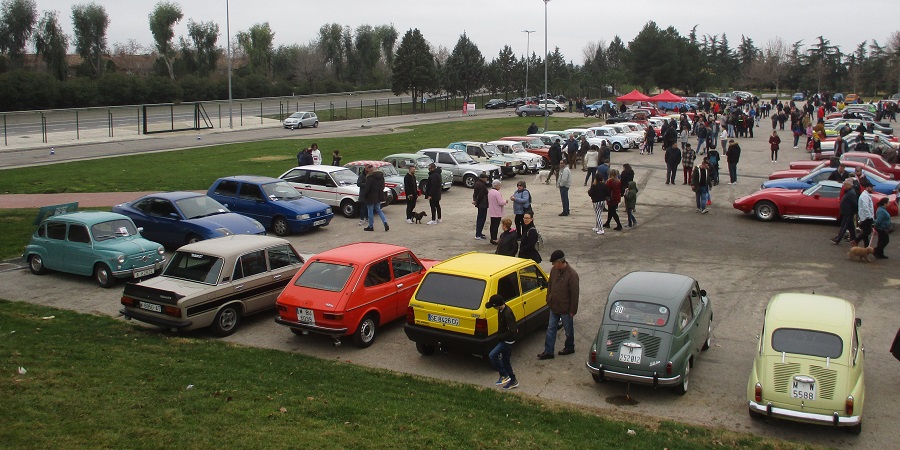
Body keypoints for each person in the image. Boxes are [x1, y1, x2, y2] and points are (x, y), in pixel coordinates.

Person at [537, 250, 579, 360]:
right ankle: (548, 351)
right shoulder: (554, 270)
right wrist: (548, 298)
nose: (553, 265)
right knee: (551, 329)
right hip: (554, 306)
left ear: (560, 262)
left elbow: (575, 294)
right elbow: (550, 284)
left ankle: (570, 347)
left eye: (554, 263)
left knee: (568, 330)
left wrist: (573, 310)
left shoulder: (572, 275)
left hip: (566, 309)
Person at [486, 294, 519, 390]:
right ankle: (513, 381)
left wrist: (500, 337)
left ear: (497, 305)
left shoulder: (507, 313)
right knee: (505, 361)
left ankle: (504, 375)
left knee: (492, 355)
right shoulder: (501, 310)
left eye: (493, 306)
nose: (493, 308)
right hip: (504, 339)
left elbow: (512, 330)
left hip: (507, 341)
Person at [362, 165, 389, 232]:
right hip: (378, 195)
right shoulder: (380, 176)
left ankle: (371, 226)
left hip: (370, 196)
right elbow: (383, 186)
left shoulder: (370, 177)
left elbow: (367, 188)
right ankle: (385, 222)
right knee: (379, 210)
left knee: (370, 211)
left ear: (369, 170)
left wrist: (364, 195)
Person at [487, 179, 507, 244]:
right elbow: (500, 202)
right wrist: (505, 201)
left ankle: (492, 238)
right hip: (497, 211)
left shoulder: (490, 192)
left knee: (492, 225)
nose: (500, 186)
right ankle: (495, 239)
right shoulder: (497, 193)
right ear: (497, 185)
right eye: (499, 185)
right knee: (495, 226)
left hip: (492, 211)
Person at [857, 179, 875, 247]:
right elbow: (866, 207)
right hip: (866, 218)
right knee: (867, 232)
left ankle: (866, 246)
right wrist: (869, 217)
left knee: (865, 233)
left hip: (865, 217)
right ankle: (856, 240)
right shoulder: (864, 196)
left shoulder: (867, 195)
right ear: (867, 187)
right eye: (871, 187)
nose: (872, 188)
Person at [472, 172, 489, 239]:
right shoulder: (481, 185)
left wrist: (475, 200)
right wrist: (477, 202)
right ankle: (478, 234)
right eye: (486, 178)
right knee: (482, 219)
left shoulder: (477, 183)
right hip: (483, 204)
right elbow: (481, 195)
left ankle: (479, 232)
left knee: (479, 218)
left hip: (480, 204)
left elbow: (475, 194)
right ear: (483, 178)